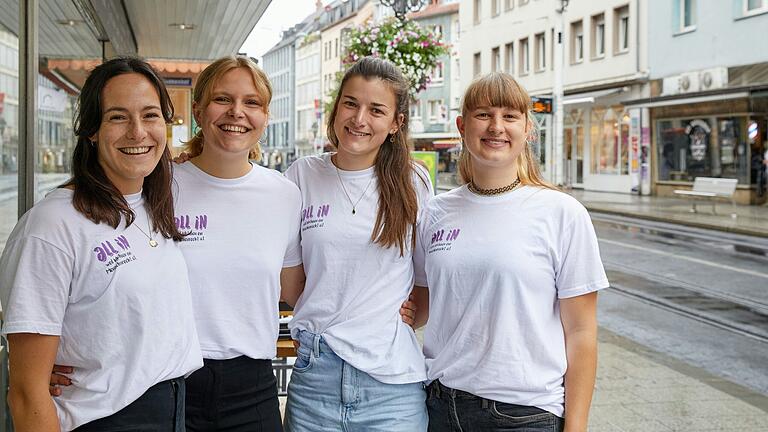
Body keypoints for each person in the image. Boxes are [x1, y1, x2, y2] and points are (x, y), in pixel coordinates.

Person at [0, 57, 202, 432]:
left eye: (151, 115)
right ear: (91, 129)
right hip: (105, 420)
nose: (138, 132)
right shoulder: (51, 227)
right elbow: (27, 393)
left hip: (173, 408)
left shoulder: (152, 204)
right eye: (118, 117)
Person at [414, 72, 609, 432]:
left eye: (509, 116)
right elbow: (422, 304)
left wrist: (576, 425)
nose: (496, 127)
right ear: (462, 125)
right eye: (484, 114)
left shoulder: (561, 213)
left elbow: (582, 332)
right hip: (439, 406)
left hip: (523, 414)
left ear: (527, 129)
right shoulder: (434, 212)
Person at [282, 56, 432, 432]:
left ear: (397, 123)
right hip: (315, 377)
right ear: (336, 109)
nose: (359, 119)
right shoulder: (302, 175)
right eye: (350, 103)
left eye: (376, 109)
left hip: (392, 386)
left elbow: (427, 277)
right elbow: (291, 283)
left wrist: (410, 314)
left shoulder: (414, 182)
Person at [175, 56, 304, 431]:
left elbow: (297, 288)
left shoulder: (284, 194)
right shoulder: (159, 186)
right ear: (198, 109)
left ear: (265, 115)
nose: (237, 112)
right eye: (222, 99)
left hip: (253, 389)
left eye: (251, 102)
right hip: (169, 381)